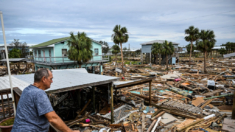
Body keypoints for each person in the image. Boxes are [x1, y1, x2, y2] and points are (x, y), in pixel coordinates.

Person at [12, 68, 80, 132]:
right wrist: (70, 131)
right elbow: (53, 119)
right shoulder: (39, 93)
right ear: (44, 79)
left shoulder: (26, 90)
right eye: (51, 79)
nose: (52, 81)